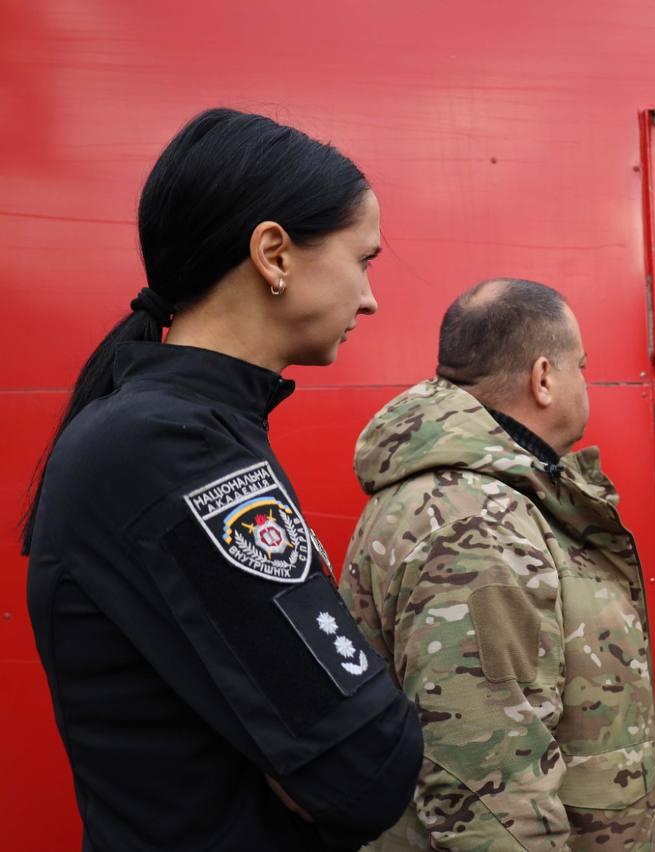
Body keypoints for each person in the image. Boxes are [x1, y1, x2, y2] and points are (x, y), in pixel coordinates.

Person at [23, 108, 423, 851]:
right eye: (363, 260)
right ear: (274, 254)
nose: (369, 298)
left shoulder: (180, 431)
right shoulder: (169, 447)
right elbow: (367, 769)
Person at [340, 278, 655, 851]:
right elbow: (490, 790)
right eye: (581, 366)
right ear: (544, 378)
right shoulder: (474, 526)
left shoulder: (495, 500)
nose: (585, 381)